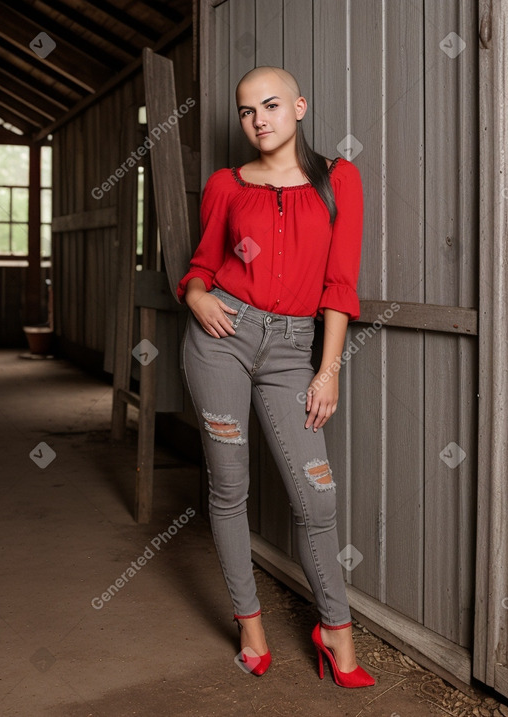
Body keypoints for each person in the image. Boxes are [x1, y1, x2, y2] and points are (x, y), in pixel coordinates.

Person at [176, 65, 375, 688]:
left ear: (300, 106)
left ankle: (334, 629)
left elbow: (341, 284)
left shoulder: (338, 180)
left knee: (315, 496)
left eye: (270, 106)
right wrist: (197, 296)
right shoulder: (226, 186)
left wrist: (328, 369)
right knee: (229, 486)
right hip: (222, 339)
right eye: (246, 111)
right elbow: (203, 264)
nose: (259, 120)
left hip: (294, 349)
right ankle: (251, 624)